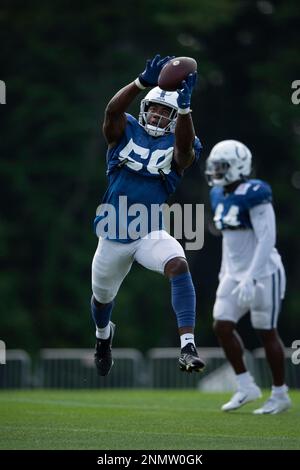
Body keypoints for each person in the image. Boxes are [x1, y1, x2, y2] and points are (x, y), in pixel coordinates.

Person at [91, 54, 205, 377]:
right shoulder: (126, 129)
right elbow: (111, 111)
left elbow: (183, 155)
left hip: (148, 233)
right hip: (112, 232)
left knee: (178, 263)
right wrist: (141, 82)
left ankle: (187, 347)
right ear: (144, 109)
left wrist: (184, 109)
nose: (157, 114)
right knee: (101, 300)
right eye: (153, 107)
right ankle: (103, 339)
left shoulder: (180, 140)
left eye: (164, 111)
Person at [205, 139, 291, 414]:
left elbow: (267, 238)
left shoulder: (256, 191)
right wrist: (225, 273)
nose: (217, 171)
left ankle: (279, 394)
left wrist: (252, 277)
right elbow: (229, 242)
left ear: (239, 166)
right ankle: (246, 385)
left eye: (222, 166)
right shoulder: (218, 194)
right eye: (214, 166)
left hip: (264, 272)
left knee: (266, 332)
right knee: (221, 325)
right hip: (233, 273)